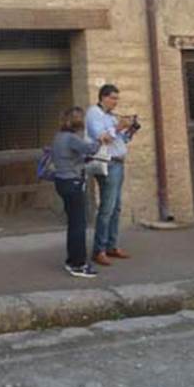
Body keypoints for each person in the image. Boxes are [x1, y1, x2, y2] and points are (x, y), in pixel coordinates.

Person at [86, 84, 139, 267]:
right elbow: (102, 138)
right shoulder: (94, 113)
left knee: (116, 207)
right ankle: (98, 250)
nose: (116, 102)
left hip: (118, 163)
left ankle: (112, 246)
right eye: (113, 98)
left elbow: (120, 140)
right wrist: (118, 127)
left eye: (117, 98)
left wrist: (129, 130)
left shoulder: (110, 116)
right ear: (103, 97)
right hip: (107, 164)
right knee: (107, 208)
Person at [52, 106, 96, 278]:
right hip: (73, 182)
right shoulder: (71, 138)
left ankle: (72, 260)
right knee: (79, 225)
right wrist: (102, 139)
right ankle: (78, 264)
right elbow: (91, 148)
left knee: (73, 223)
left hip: (62, 181)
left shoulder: (59, 137)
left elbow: (70, 156)